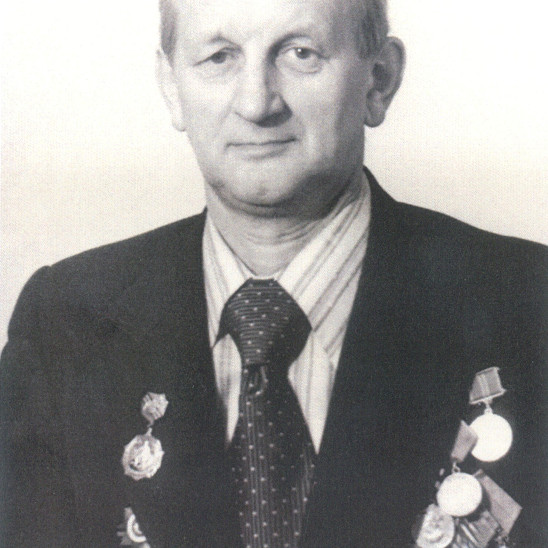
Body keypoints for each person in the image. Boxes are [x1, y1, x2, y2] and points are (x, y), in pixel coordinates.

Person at [1, 0, 546, 546]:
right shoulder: (65, 326)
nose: (256, 103)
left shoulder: (530, 306)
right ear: (171, 87)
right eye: (219, 57)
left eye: (300, 53)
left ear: (379, 80)